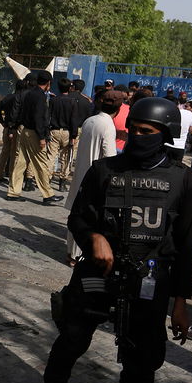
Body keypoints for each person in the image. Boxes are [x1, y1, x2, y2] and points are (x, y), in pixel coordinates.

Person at [26, 97, 192, 383]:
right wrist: (95, 239)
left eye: (146, 131)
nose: (135, 136)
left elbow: (187, 244)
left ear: (165, 135)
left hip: (148, 281)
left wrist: (181, 304)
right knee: (71, 339)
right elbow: (77, 219)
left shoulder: (183, 179)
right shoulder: (104, 170)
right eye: (131, 129)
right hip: (96, 273)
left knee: (143, 362)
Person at [63, 89, 122, 264]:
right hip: (95, 178)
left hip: (81, 171)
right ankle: (78, 257)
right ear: (118, 111)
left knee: (77, 214)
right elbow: (110, 157)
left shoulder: (90, 120)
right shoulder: (108, 126)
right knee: (90, 218)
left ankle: (71, 253)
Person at [7, 70, 57, 202]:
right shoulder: (40, 96)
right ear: (48, 83)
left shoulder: (29, 94)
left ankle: (13, 192)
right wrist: (42, 137)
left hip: (25, 131)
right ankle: (48, 194)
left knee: (20, 163)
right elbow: (39, 118)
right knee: (41, 163)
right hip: (35, 133)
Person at [0, 78, 28, 183]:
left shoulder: (8, 97)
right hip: (16, 128)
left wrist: (2, 121)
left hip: (7, 127)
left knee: (4, 151)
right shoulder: (22, 99)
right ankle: (12, 176)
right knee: (14, 153)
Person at [166, 100, 192, 164]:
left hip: (167, 144)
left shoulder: (172, 112)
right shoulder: (190, 114)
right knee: (176, 168)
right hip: (180, 146)